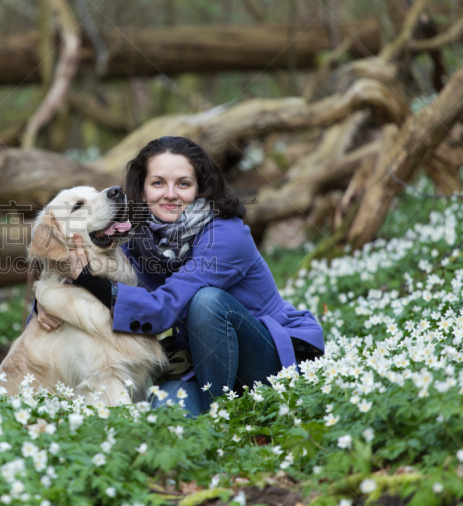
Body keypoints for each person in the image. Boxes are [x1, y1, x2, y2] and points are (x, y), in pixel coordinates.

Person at [37, 136, 324, 416]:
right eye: (158, 183)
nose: (170, 194)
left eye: (183, 184)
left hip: (267, 359)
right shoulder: (137, 236)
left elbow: (162, 309)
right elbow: (84, 270)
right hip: (197, 366)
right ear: (143, 189)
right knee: (165, 422)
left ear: (201, 189)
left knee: (206, 302)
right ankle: (209, 418)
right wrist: (47, 304)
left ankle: (221, 417)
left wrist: (87, 281)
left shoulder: (226, 235)